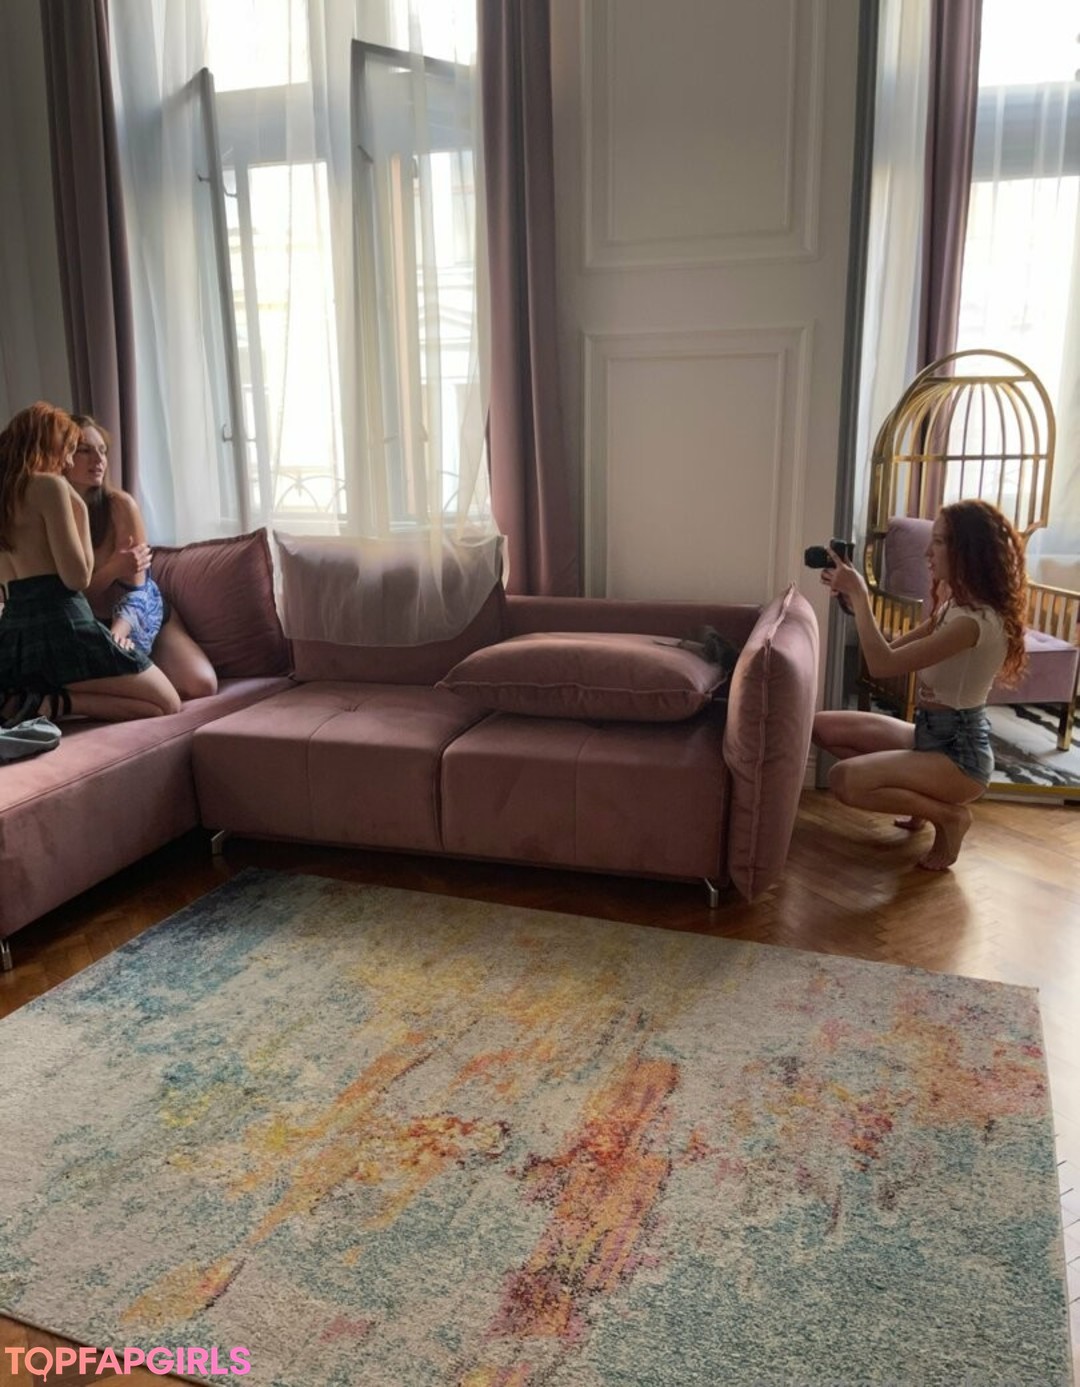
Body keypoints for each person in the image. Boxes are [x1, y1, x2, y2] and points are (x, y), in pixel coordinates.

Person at [812, 498, 1028, 871]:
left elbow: (882, 665)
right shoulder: (955, 606)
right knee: (821, 727)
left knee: (844, 780)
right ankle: (922, 799)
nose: (928, 552)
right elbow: (890, 651)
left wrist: (862, 596)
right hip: (928, 735)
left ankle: (949, 816)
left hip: (959, 757)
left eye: (938, 542)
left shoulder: (973, 623)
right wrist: (853, 601)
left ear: (966, 550)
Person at [0, 401, 182, 723]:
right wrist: (80, 510)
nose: (69, 461)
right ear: (48, 445)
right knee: (168, 702)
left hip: (17, 637)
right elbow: (77, 579)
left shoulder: (5, 496)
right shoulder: (49, 486)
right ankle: (58, 704)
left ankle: (48, 701)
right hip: (64, 627)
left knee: (159, 705)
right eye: (70, 451)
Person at [67, 415, 217, 700]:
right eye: (84, 450)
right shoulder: (52, 517)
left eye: (102, 451)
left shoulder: (120, 506)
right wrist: (112, 569)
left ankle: (148, 670)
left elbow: (136, 591)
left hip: (138, 614)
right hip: (88, 627)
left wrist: (117, 634)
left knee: (202, 684)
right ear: (62, 457)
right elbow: (67, 598)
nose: (98, 460)